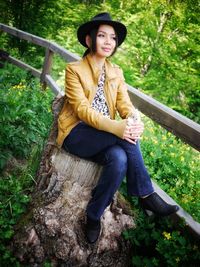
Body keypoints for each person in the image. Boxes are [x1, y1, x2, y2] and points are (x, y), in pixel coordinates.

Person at [57, 12, 179, 244]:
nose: (107, 42)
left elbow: (124, 104)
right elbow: (82, 110)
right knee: (123, 138)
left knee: (121, 159)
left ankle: (93, 216)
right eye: (101, 35)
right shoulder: (74, 70)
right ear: (89, 40)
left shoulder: (116, 72)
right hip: (77, 134)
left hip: (107, 136)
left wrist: (133, 120)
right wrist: (118, 128)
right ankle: (146, 194)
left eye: (112, 38)